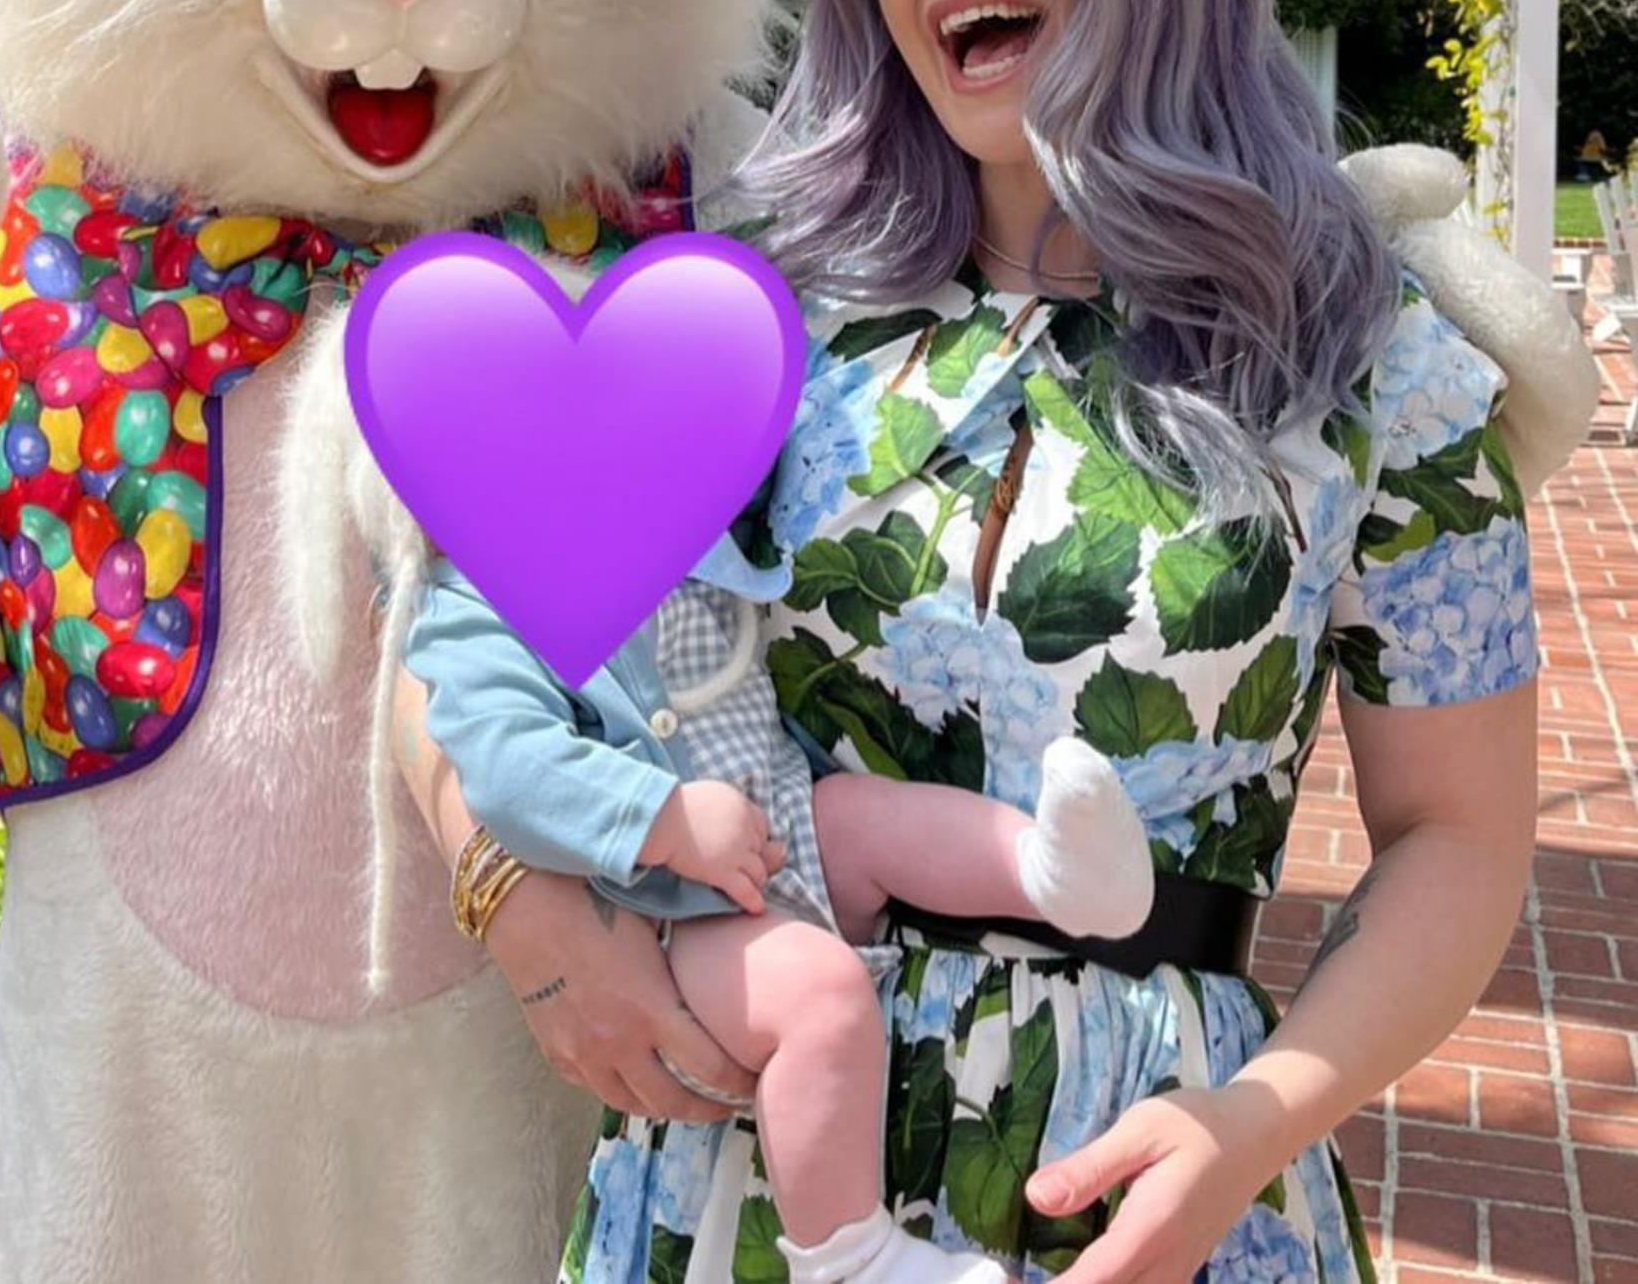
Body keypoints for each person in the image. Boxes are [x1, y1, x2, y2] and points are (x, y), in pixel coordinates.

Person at [392, 0, 1540, 1283]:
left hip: (1156, 1182)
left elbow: (1458, 838)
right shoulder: (752, 317)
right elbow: (462, 633)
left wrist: (1260, 1123)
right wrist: (525, 912)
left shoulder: (1376, 358)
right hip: (753, 1180)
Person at [398, 527, 1154, 1284]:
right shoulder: (476, 596)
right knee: (821, 999)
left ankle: (1055, 872)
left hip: (783, 816)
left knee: (876, 816)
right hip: (676, 909)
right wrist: (660, 818)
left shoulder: (664, 523)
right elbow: (507, 768)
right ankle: (851, 1253)